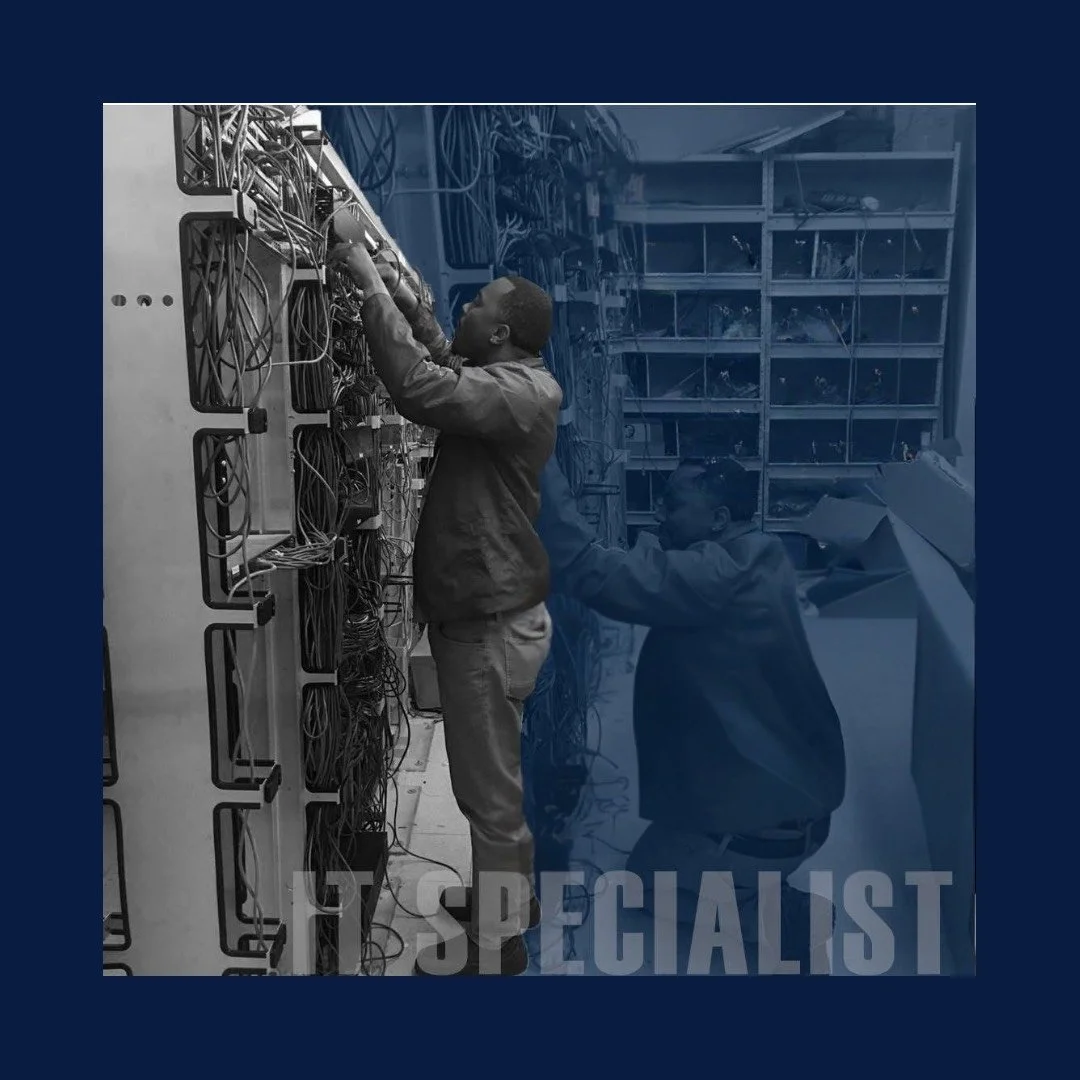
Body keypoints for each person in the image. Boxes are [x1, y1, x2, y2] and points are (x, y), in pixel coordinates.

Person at [331, 241, 561, 976]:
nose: (465, 307)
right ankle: (509, 907)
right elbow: (442, 358)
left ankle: (501, 949)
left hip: (490, 626)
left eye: (477, 305)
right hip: (487, 614)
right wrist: (409, 303)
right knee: (490, 784)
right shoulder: (504, 378)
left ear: (500, 332)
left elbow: (422, 391)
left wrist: (368, 283)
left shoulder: (521, 394)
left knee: (488, 795)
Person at [537, 455, 847, 973]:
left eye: (674, 504)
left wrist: (541, 460)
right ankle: (749, 876)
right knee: (644, 876)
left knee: (647, 890)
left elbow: (584, 568)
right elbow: (667, 577)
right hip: (796, 801)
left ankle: (772, 916)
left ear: (720, 519)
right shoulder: (757, 555)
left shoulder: (716, 575)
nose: (660, 513)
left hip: (773, 823)